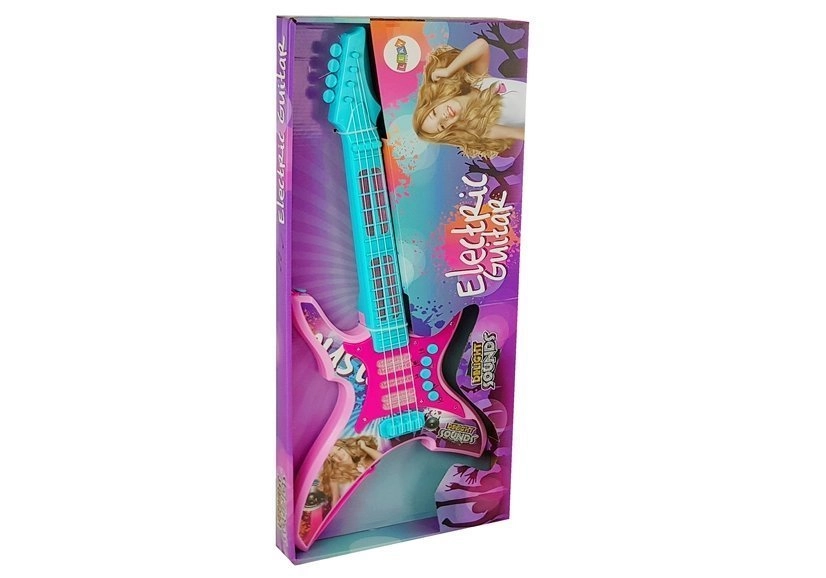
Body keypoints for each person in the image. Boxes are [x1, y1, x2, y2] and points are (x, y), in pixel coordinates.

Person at [413, 38, 525, 158]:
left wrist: (448, 71)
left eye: (434, 113)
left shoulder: (476, 80)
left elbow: (481, 45)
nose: (443, 117)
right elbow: (521, 133)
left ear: (434, 101)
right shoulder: (481, 128)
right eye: (442, 126)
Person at [319, 436, 382, 507]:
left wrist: (364, 447)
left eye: (339, 449)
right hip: (356, 507)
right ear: (332, 460)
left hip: (376, 499)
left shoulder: (362, 462)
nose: (339, 455)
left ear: (344, 447)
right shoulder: (334, 476)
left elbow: (383, 459)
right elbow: (335, 500)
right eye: (333, 456)